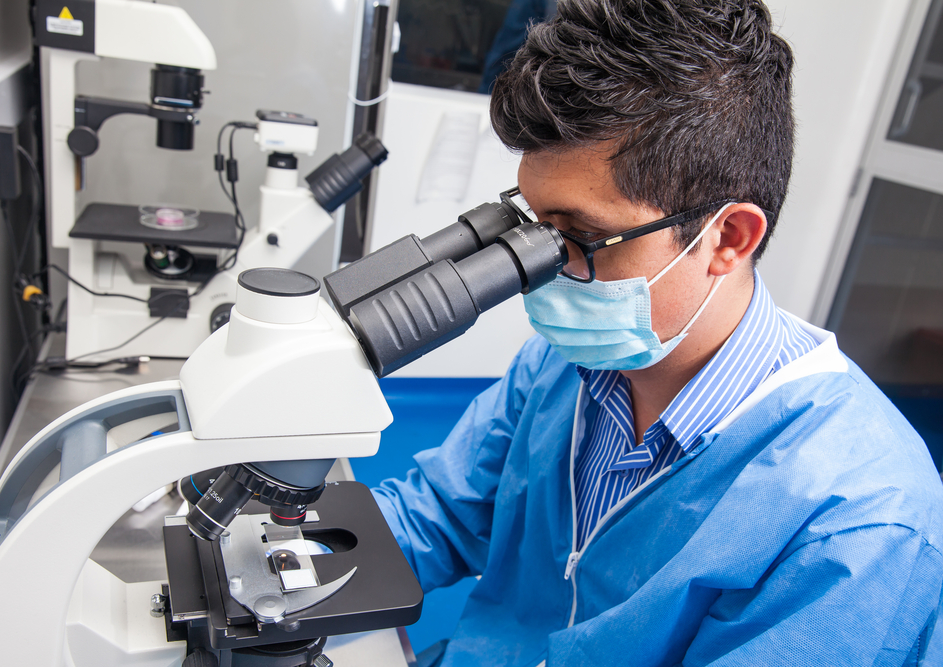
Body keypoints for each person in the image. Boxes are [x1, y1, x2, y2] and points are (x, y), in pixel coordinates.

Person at [372, 1, 943, 665]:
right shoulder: (559, 368)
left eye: (582, 237)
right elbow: (439, 515)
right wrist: (299, 562)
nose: (543, 272)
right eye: (534, 228)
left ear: (727, 238)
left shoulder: (858, 524)